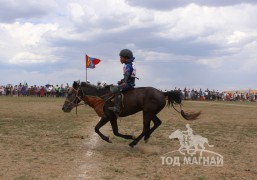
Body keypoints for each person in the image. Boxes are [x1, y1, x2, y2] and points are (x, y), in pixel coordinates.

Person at [108, 49, 136, 113]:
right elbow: (128, 75)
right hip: (129, 82)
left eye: (121, 57)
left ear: (126, 58)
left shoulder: (128, 65)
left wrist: (124, 82)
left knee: (117, 89)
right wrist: (121, 81)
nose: (120, 59)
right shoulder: (129, 64)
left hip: (129, 84)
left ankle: (117, 107)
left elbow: (127, 74)